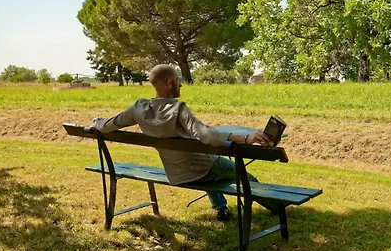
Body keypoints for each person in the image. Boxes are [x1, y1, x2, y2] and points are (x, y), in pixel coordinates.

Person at [91, 64, 272, 221]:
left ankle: (221, 207)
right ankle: (277, 207)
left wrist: (96, 122)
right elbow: (208, 136)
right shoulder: (178, 109)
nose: (181, 84)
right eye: (178, 81)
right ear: (170, 83)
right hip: (201, 170)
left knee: (208, 159)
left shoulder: (139, 108)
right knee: (243, 176)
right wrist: (246, 138)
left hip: (176, 174)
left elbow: (108, 125)